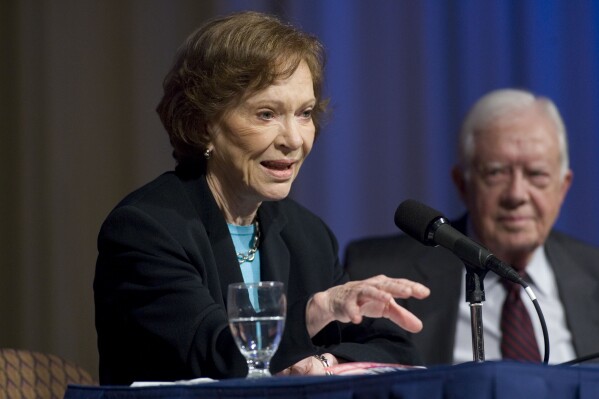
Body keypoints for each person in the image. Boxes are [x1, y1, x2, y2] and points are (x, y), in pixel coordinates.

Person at [94, 11, 430, 385]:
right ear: (204, 124)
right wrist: (316, 311)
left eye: (304, 114)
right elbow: (213, 357)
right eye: (267, 114)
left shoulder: (307, 235)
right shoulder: (148, 229)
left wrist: (325, 362)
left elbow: (396, 350)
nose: (294, 140)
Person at [345, 88, 599, 366]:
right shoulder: (381, 272)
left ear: (563, 188)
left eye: (537, 174)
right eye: (496, 173)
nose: (516, 194)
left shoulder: (593, 272)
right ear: (462, 184)